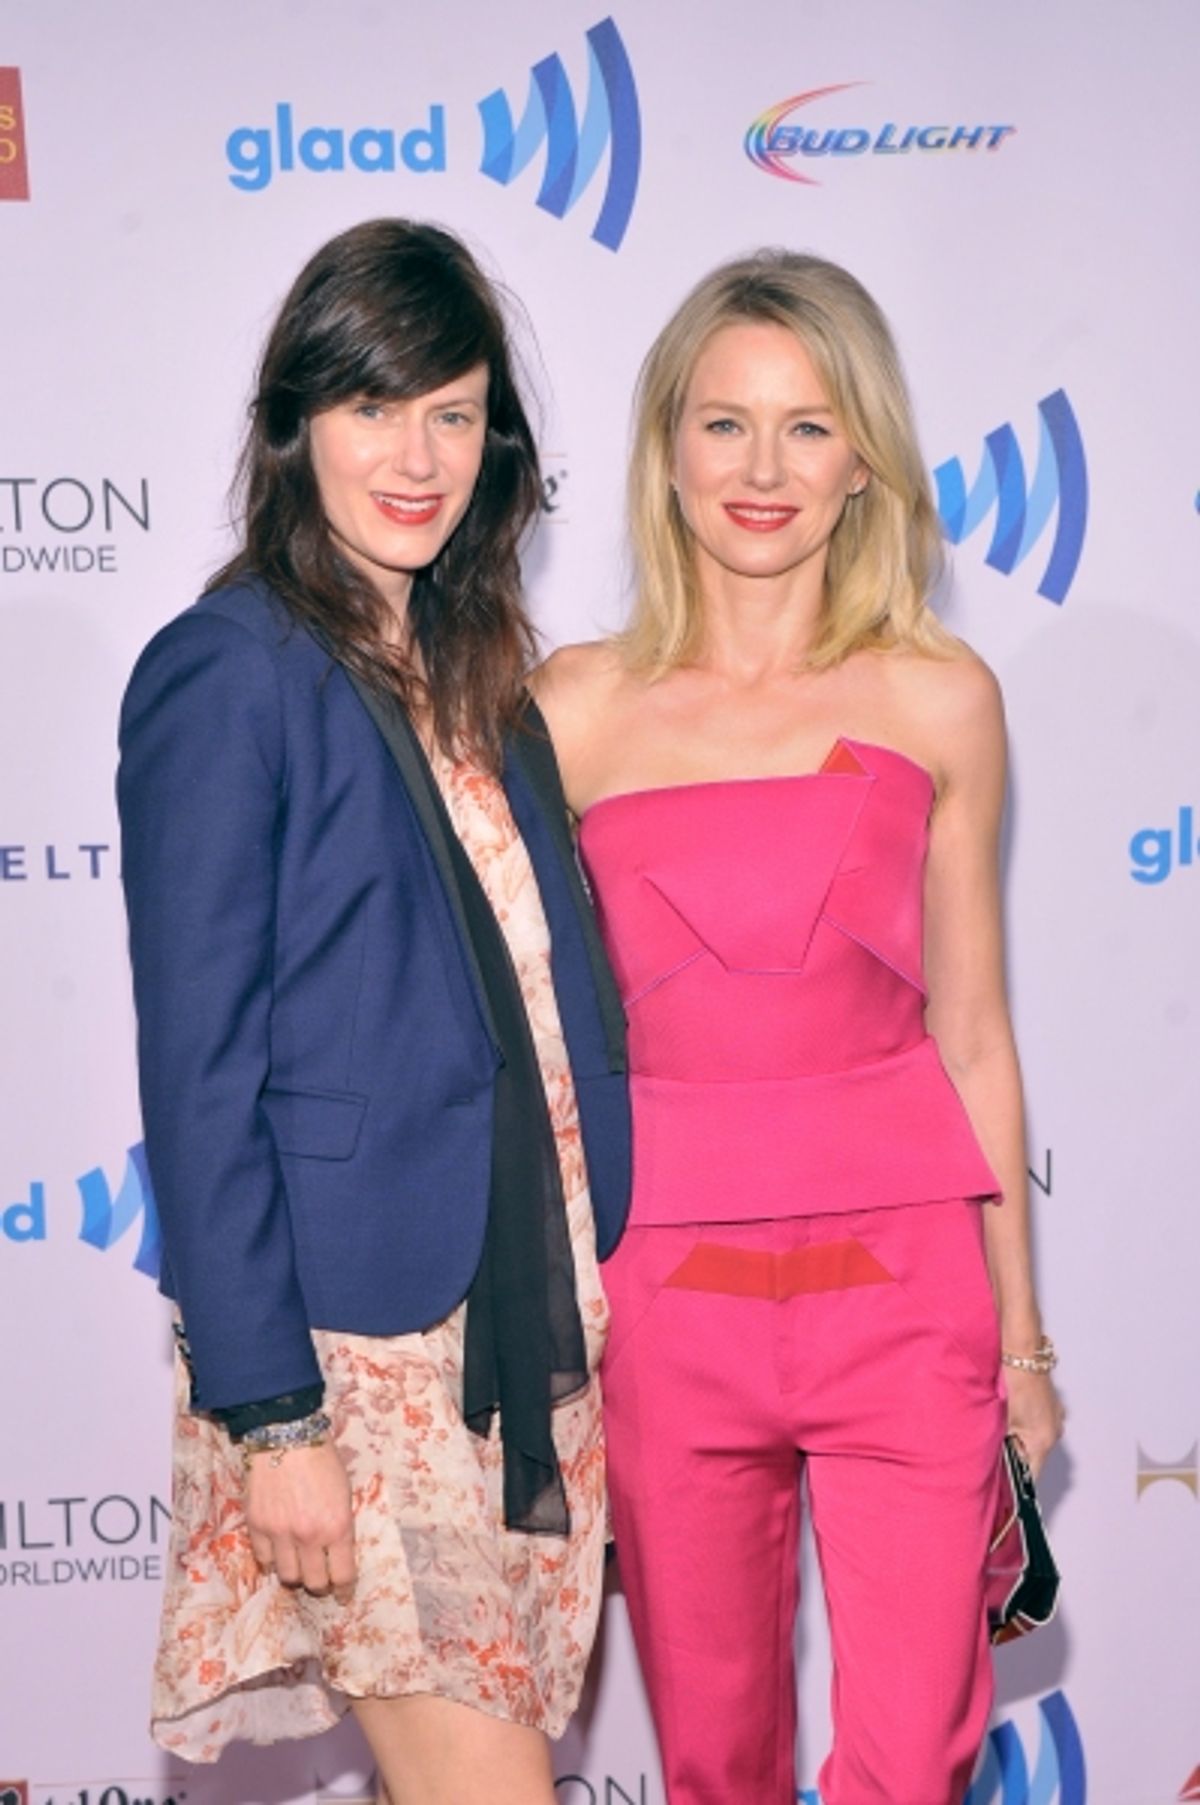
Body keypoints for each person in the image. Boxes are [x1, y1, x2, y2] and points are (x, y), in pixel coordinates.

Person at [534, 251, 1065, 1805]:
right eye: (725, 424)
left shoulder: (938, 694)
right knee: (715, 1763)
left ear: (865, 462)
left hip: (906, 1296)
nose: (763, 470)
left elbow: (975, 1031)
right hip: (667, 1304)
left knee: (913, 1765)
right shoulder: (573, 709)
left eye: (809, 427)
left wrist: (1021, 1337)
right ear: (666, 451)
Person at [117, 218, 629, 1804]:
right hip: (357, 1360)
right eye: (374, 408)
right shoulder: (230, 668)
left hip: (519, 1335)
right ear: (294, 426)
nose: (418, 457)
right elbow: (198, 1074)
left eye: (455, 412)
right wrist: (273, 1419)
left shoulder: (478, 672)